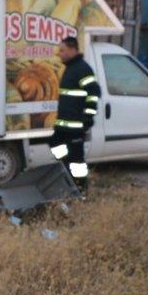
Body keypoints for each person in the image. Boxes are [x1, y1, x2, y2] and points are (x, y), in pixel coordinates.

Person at [50, 36, 101, 187]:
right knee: (54, 142)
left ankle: (81, 189)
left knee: (77, 162)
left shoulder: (82, 69)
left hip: (76, 126)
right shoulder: (70, 68)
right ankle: (65, 168)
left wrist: (88, 117)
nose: (59, 53)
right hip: (64, 125)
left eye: (62, 50)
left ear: (72, 50)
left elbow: (94, 93)